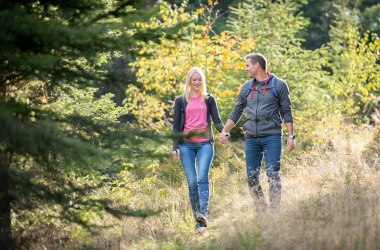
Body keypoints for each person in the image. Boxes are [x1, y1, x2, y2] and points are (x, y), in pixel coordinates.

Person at [219, 53, 295, 212]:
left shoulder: (279, 85)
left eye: (247, 65)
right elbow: (237, 111)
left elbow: (286, 111)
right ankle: (261, 212)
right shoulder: (246, 87)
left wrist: (290, 135)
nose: (245, 69)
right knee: (252, 177)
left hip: (272, 136)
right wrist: (225, 130)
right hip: (251, 138)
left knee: (273, 174)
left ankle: (275, 213)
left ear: (257, 66)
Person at [172, 67, 224, 230]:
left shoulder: (209, 99)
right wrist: (175, 147)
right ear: (189, 81)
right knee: (192, 183)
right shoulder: (180, 100)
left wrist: (224, 132)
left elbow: (217, 120)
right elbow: (175, 127)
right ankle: (197, 221)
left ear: (203, 81)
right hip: (186, 146)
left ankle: (203, 214)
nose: (196, 82)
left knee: (202, 178)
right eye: (193, 79)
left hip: (204, 145)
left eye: (199, 79)